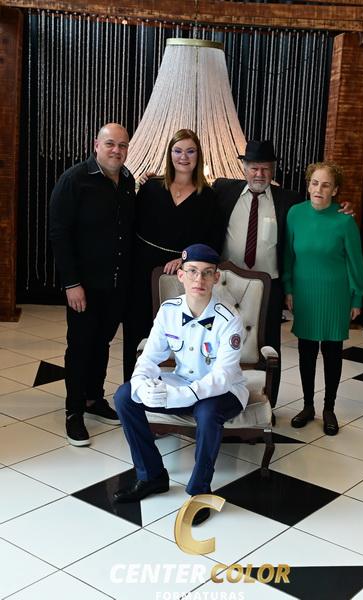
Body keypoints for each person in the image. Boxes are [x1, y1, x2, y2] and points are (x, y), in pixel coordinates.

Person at [213, 141, 353, 410]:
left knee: (268, 345)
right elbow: (189, 189)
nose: (259, 174)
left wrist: (342, 207)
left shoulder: (289, 200)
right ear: (244, 168)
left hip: (270, 285)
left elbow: (317, 210)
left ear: (273, 170)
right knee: (224, 341)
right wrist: (152, 179)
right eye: (254, 168)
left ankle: (268, 403)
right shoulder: (222, 190)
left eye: (266, 169)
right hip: (228, 284)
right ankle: (222, 397)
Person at [114, 244, 247, 525]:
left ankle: (200, 491)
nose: (199, 279)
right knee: (125, 396)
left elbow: (222, 376)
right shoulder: (169, 311)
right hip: (183, 380)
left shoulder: (229, 319)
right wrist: (141, 384)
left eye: (207, 273)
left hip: (225, 391)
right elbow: (150, 357)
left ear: (216, 278)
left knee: (208, 413)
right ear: (181, 276)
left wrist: (179, 396)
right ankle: (151, 476)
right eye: (193, 272)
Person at [49, 123, 135, 446]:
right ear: (96, 145)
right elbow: (59, 233)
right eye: (110, 143)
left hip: (116, 283)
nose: (116, 150)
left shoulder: (127, 180)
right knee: (80, 346)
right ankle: (74, 411)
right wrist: (71, 283)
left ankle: (93, 398)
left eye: (122, 145)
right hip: (83, 286)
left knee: (102, 343)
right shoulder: (74, 180)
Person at [122, 129, 223, 381]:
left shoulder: (208, 196)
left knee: (177, 335)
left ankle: (174, 390)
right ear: (170, 154)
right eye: (177, 151)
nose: (183, 157)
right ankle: (134, 388)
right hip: (143, 269)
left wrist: (185, 259)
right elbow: (129, 222)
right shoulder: (151, 187)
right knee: (137, 331)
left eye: (190, 151)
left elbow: (214, 241)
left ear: (198, 155)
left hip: (181, 275)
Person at [283, 162, 363, 435]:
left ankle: (329, 408)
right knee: (306, 351)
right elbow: (288, 255)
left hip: (336, 295)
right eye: (314, 183)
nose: (319, 189)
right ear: (308, 185)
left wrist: (358, 297)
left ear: (335, 190)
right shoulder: (295, 214)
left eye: (326, 184)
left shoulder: (345, 221)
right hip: (305, 293)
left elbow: (355, 262)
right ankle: (307, 406)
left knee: (332, 353)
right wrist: (288, 288)